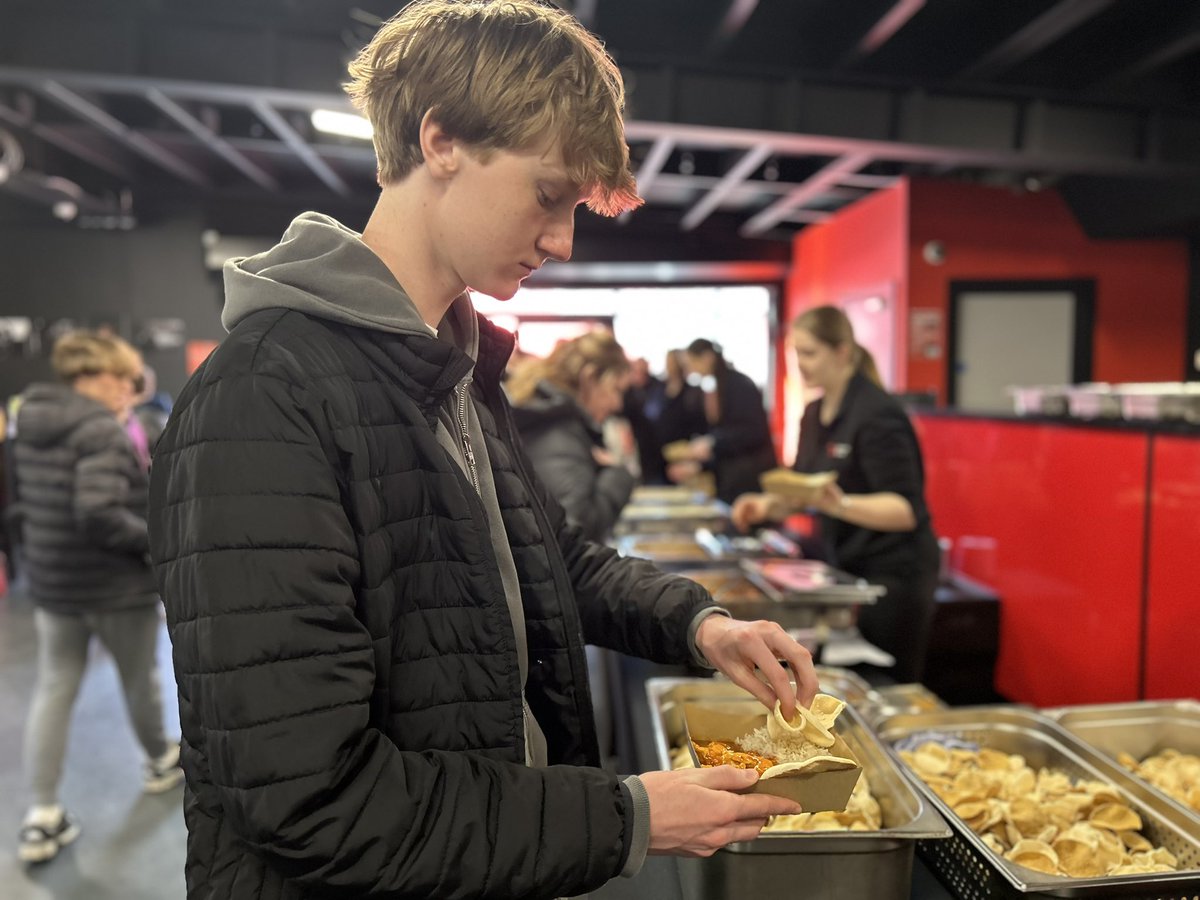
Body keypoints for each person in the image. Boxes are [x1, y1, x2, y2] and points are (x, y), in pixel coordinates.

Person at [146, 3, 820, 898]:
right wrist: (628, 817)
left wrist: (701, 626)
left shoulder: (454, 370)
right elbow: (310, 799)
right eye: (549, 195)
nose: (562, 240)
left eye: (577, 207)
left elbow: (549, 561)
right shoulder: (263, 397)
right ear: (442, 141)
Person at [11, 331, 183, 865]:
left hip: (54, 584)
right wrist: (160, 543)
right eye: (120, 378)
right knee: (140, 680)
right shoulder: (101, 432)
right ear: (90, 376)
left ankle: (41, 814)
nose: (128, 390)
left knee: (55, 687)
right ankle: (160, 762)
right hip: (112, 585)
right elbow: (98, 513)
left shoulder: (32, 424)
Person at [732, 306, 941, 682]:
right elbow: (804, 488)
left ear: (842, 352)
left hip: (893, 577)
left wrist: (839, 504)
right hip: (845, 570)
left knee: (882, 686)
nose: (801, 364)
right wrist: (765, 505)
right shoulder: (813, 413)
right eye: (796, 353)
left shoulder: (877, 413)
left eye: (809, 353)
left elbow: (905, 509)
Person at [508, 331, 637, 543]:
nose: (617, 404)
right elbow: (574, 535)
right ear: (590, 377)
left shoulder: (550, 419)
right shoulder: (557, 433)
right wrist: (617, 475)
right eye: (615, 389)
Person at [668, 338, 777, 504]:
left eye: (693, 362)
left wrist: (712, 442)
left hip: (749, 478)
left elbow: (752, 432)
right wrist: (701, 463)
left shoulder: (740, 385)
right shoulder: (714, 386)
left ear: (707, 357)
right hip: (731, 477)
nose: (691, 370)